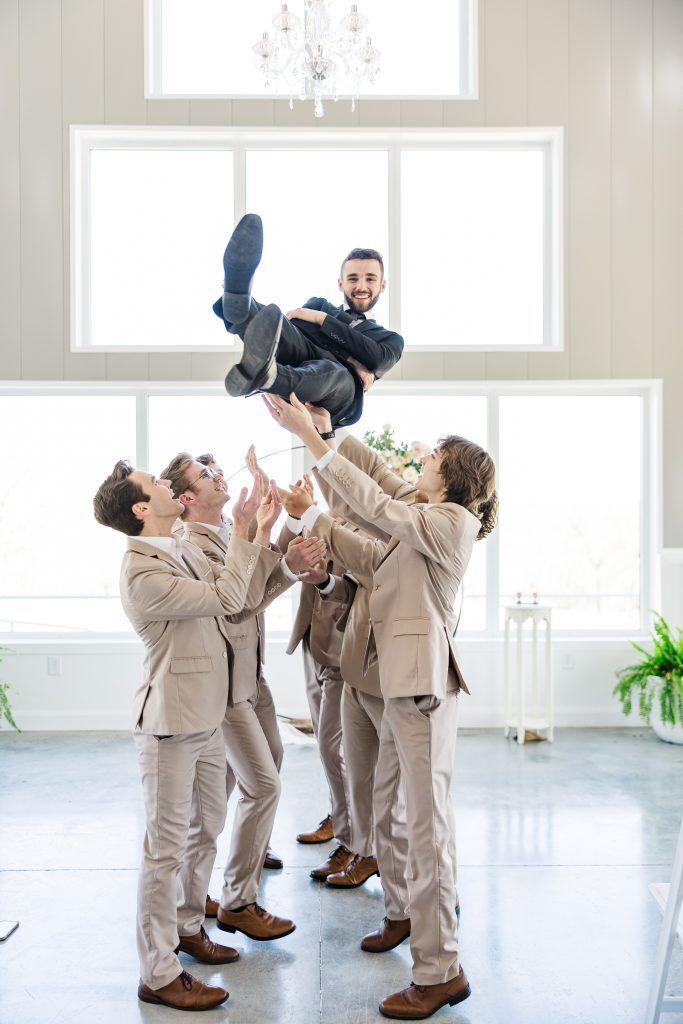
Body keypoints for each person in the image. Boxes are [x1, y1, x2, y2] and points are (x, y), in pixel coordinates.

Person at [264, 393, 498, 1021]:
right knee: (392, 817)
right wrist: (319, 446)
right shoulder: (419, 522)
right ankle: (401, 914)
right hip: (396, 688)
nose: (419, 461)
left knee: (427, 829)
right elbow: (365, 542)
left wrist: (314, 450)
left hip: (420, 691)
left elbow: (374, 501)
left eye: (431, 459)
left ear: (453, 476)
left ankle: (439, 969)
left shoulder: (450, 521)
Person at [92, 463, 282, 1011]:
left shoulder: (178, 549)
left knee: (208, 827)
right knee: (164, 851)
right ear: (141, 509)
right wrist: (246, 531)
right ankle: (158, 972)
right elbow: (225, 597)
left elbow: (240, 594)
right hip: (171, 727)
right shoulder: (142, 572)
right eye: (156, 487)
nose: (168, 488)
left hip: (205, 718)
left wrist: (254, 536)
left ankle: (188, 925)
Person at [158, 451, 326, 942]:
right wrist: (271, 547)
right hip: (226, 688)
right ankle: (238, 900)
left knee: (252, 772)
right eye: (204, 475)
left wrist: (276, 548)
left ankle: (201, 888)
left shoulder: (227, 538)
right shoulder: (190, 543)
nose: (217, 475)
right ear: (186, 498)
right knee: (263, 786)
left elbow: (251, 593)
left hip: (252, 676)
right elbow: (233, 607)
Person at [213, 213, 404, 426]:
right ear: (341, 284)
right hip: (302, 357)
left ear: (382, 285)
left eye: (370, 279)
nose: (361, 286)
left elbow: (377, 358)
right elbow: (294, 329)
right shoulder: (319, 304)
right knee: (275, 322)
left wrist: (322, 320)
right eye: (352, 279)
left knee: (334, 371)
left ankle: (269, 375)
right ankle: (238, 303)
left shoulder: (391, 340)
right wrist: (355, 359)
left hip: (338, 394)